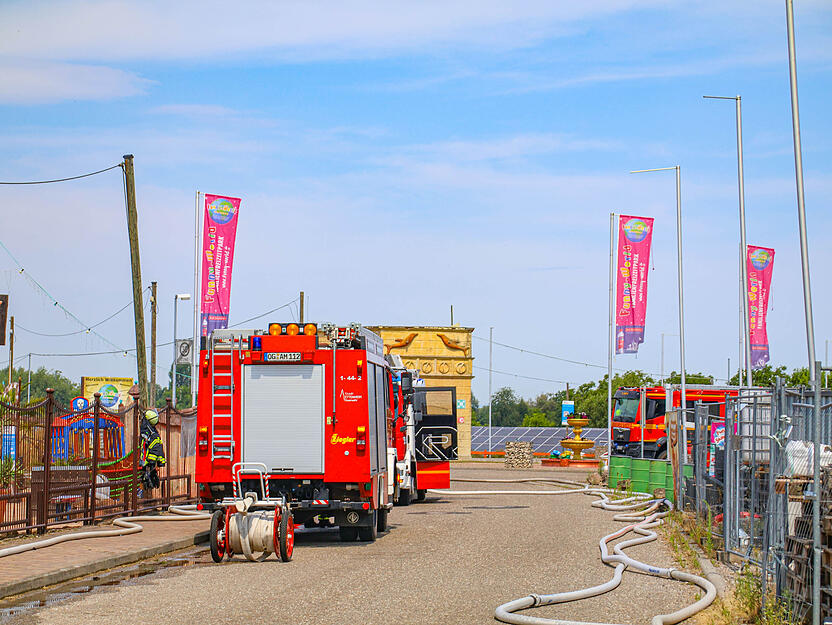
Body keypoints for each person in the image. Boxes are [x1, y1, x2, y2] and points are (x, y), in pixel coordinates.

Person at [140, 409, 166, 491]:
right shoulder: (153, 433)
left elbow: (154, 450)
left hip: (147, 463)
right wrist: (159, 463)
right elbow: (159, 449)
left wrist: (152, 465)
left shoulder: (150, 433)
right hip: (147, 463)